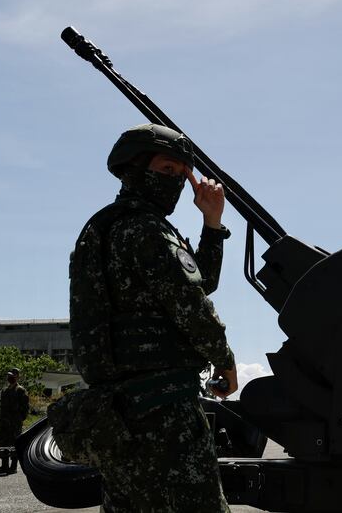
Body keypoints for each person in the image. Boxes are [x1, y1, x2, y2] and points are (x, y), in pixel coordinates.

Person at [66, 123, 238, 512]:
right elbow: (193, 306)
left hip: (116, 413)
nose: (175, 182)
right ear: (133, 168)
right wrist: (225, 362)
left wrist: (211, 222)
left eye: (181, 174)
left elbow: (197, 282)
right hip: (163, 409)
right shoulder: (146, 229)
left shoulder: (101, 228)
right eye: (166, 170)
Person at [0, 367, 29, 475]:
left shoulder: (20, 390)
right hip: (4, 422)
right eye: (9, 375)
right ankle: (4, 466)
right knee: (2, 442)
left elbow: (25, 407)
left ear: (17, 377)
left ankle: (13, 467)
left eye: (12, 376)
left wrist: (19, 419)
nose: (10, 377)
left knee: (14, 443)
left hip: (15, 423)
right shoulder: (5, 390)